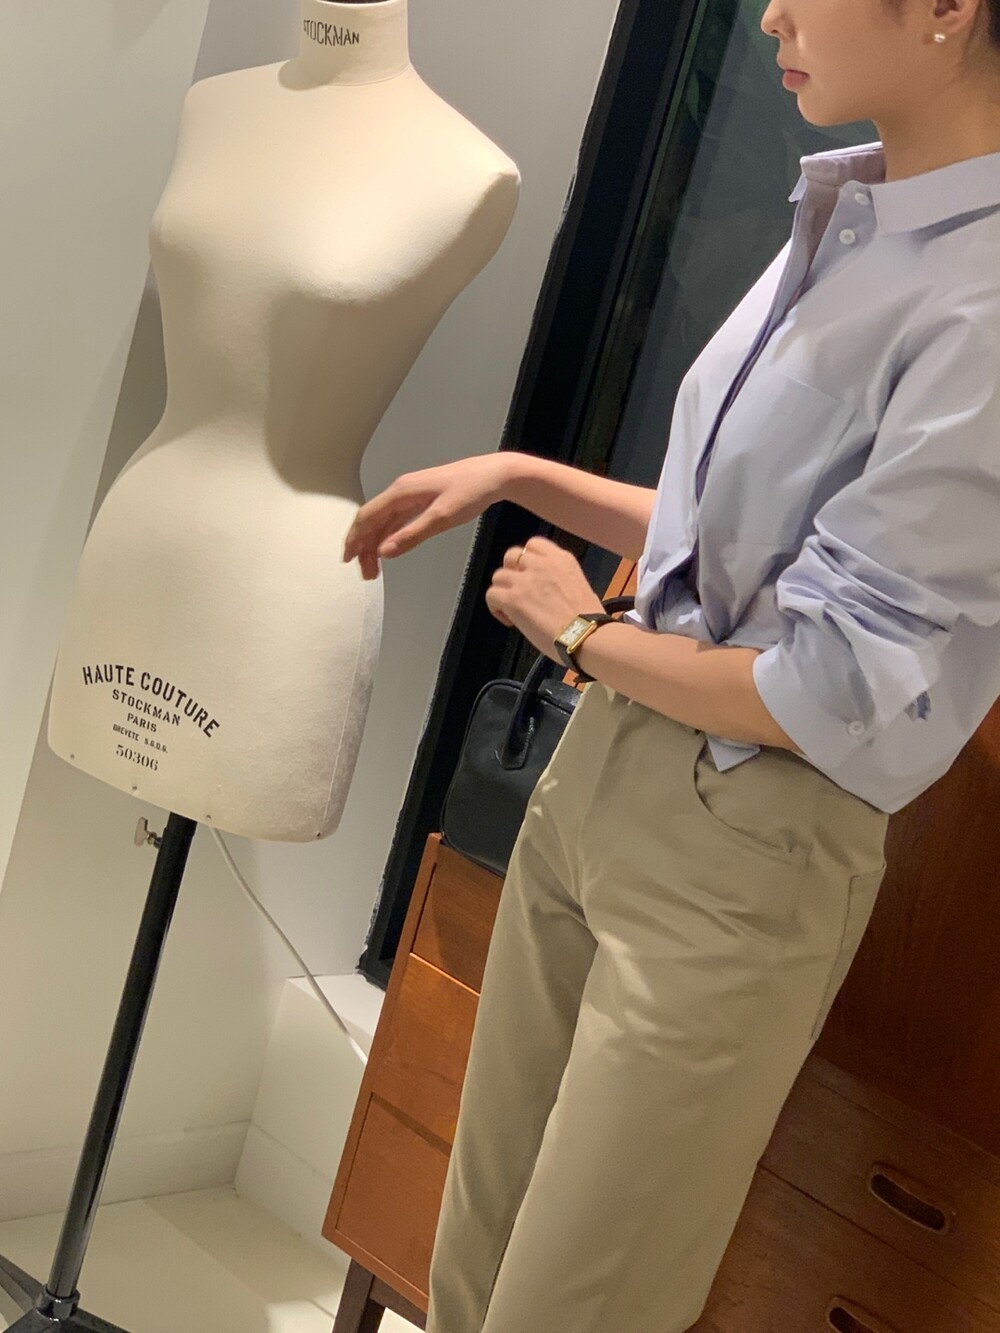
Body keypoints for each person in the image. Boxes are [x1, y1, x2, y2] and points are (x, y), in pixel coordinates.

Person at [341, 0, 1000, 1319]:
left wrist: (584, 633)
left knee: (574, 1308)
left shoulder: (981, 301)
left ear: (947, 9)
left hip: (742, 849)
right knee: (469, 1277)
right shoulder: (849, 213)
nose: (771, 16)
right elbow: (735, 548)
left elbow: (827, 684)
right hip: (607, 775)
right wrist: (520, 474)